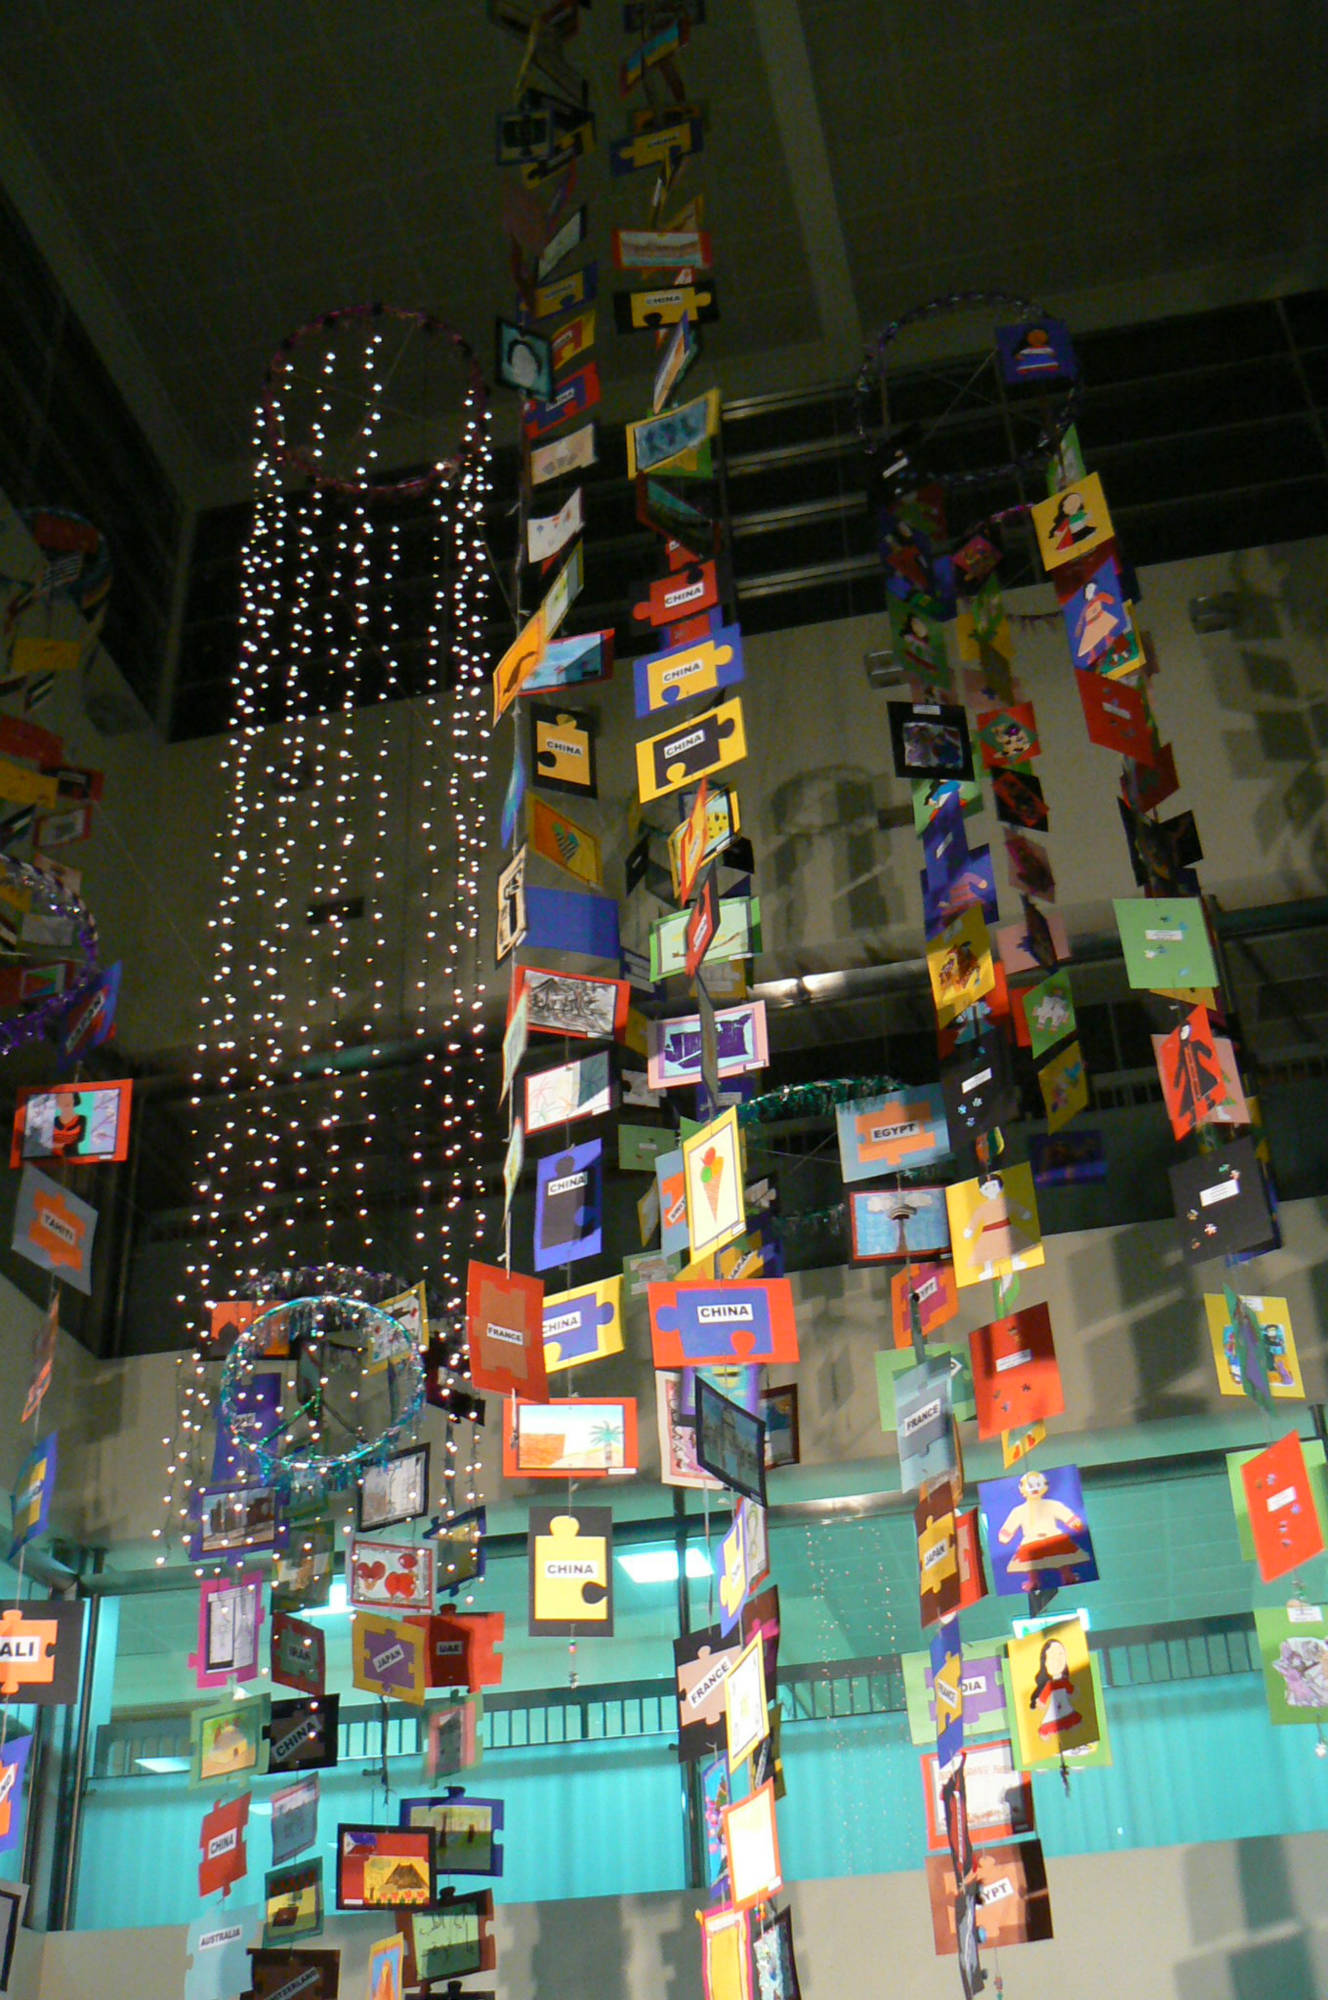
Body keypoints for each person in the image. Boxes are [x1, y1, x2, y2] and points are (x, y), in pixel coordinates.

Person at [998, 1468, 1089, 1587]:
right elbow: (1010, 1525)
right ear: (1022, 1488)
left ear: (1045, 1486)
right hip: (1032, 1540)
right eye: (1031, 1486)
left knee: (1062, 1559)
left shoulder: (1053, 1504)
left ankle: (1068, 1576)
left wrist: (1074, 1522)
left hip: (1053, 1537)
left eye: (1038, 1484)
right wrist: (1006, 1534)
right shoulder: (1019, 1510)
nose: (1035, 1489)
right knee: (1031, 1564)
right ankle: (1033, 1582)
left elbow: (1066, 1515)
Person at [1028, 1636, 1082, 1739]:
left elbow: (1073, 1692)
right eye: (1052, 1655)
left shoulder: (1064, 1682)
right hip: (1054, 1711)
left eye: (1060, 1654)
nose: (1057, 1660)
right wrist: (1040, 1702)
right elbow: (1043, 1699)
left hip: (1066, 1709)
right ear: (1045, 1661)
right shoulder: (1049, 1686)